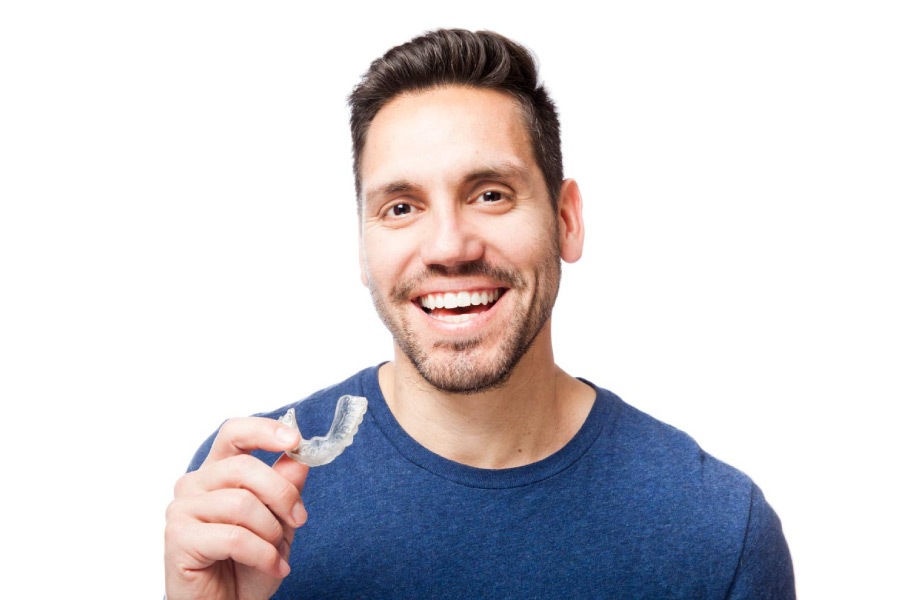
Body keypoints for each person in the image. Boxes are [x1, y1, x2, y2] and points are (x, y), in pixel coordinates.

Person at [164, 28, 795, 599]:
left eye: (490, 194)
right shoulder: (246, 496)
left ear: (567, 220)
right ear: (363, 245)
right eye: (401, 207)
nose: (447, 247)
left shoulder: (717, 534)